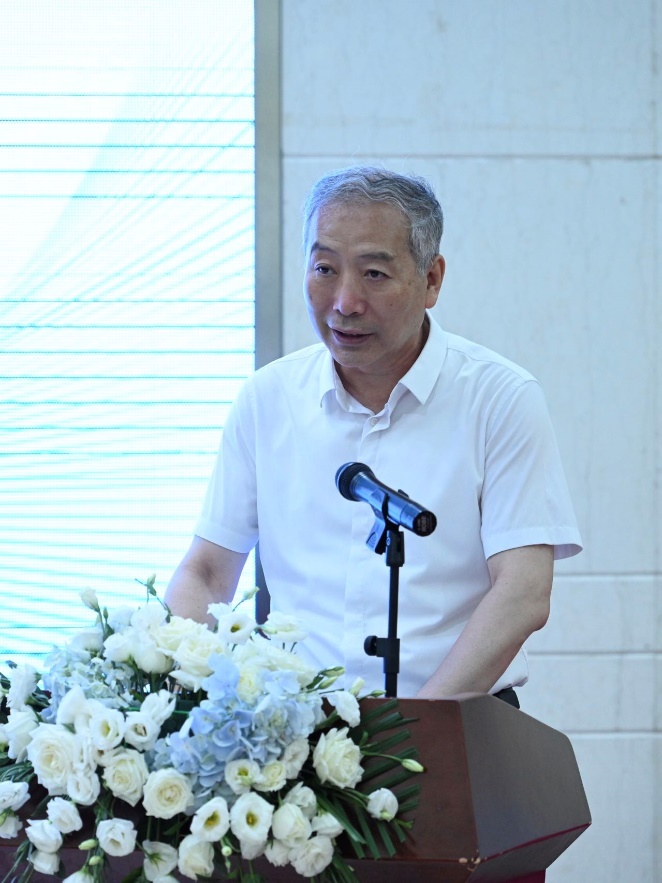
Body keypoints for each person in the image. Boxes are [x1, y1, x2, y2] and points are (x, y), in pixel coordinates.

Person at [164, 166, 582, 703]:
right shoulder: (268, 399)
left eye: (374, 274)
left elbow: (522, 593)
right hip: (297, 728)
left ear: (432, 280)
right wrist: (171, 687)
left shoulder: (500, 398)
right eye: (324, 268)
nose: (345, 302)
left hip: (459, 719)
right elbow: (205, 573)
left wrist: (416, 731)